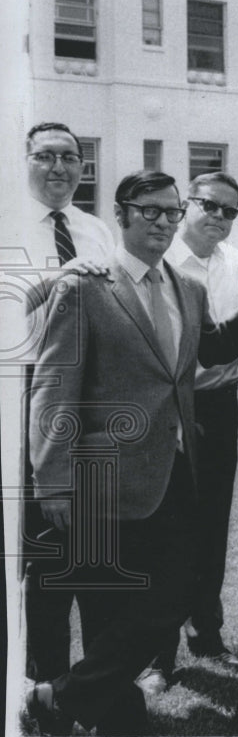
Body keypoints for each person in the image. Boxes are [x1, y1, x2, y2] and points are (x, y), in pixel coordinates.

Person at [25, 170, 238, 736]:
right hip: (102, 477)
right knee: (110, 606)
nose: (162, 221)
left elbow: (210, 349)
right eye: (148, 210)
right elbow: (54, 386)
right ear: (121, 214)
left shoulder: (189, 289)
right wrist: (52, 480)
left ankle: (62, 696)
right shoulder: (85, 286)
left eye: (170, 212)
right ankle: (108, 712)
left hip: (173, 472)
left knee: (177, 592)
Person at [20, 122, 115, 684]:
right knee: (45, 547)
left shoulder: (95, 229)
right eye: (46, 156)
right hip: (26, 389)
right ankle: (45, 678)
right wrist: (62, 275)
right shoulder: (7, 223)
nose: (59, 167)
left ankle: (94, 681)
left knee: (92, 540)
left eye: (70, 158)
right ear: (26, 161)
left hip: (92, 396)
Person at [160, 171, 238, 668]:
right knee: (166, 524)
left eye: (229, 210)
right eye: (209, 205)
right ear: (186, 205)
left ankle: (206, 631)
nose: (218, 216)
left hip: (218, 404)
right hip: (168, 404)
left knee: (213, 522)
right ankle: (157, 655)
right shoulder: (162, 259)